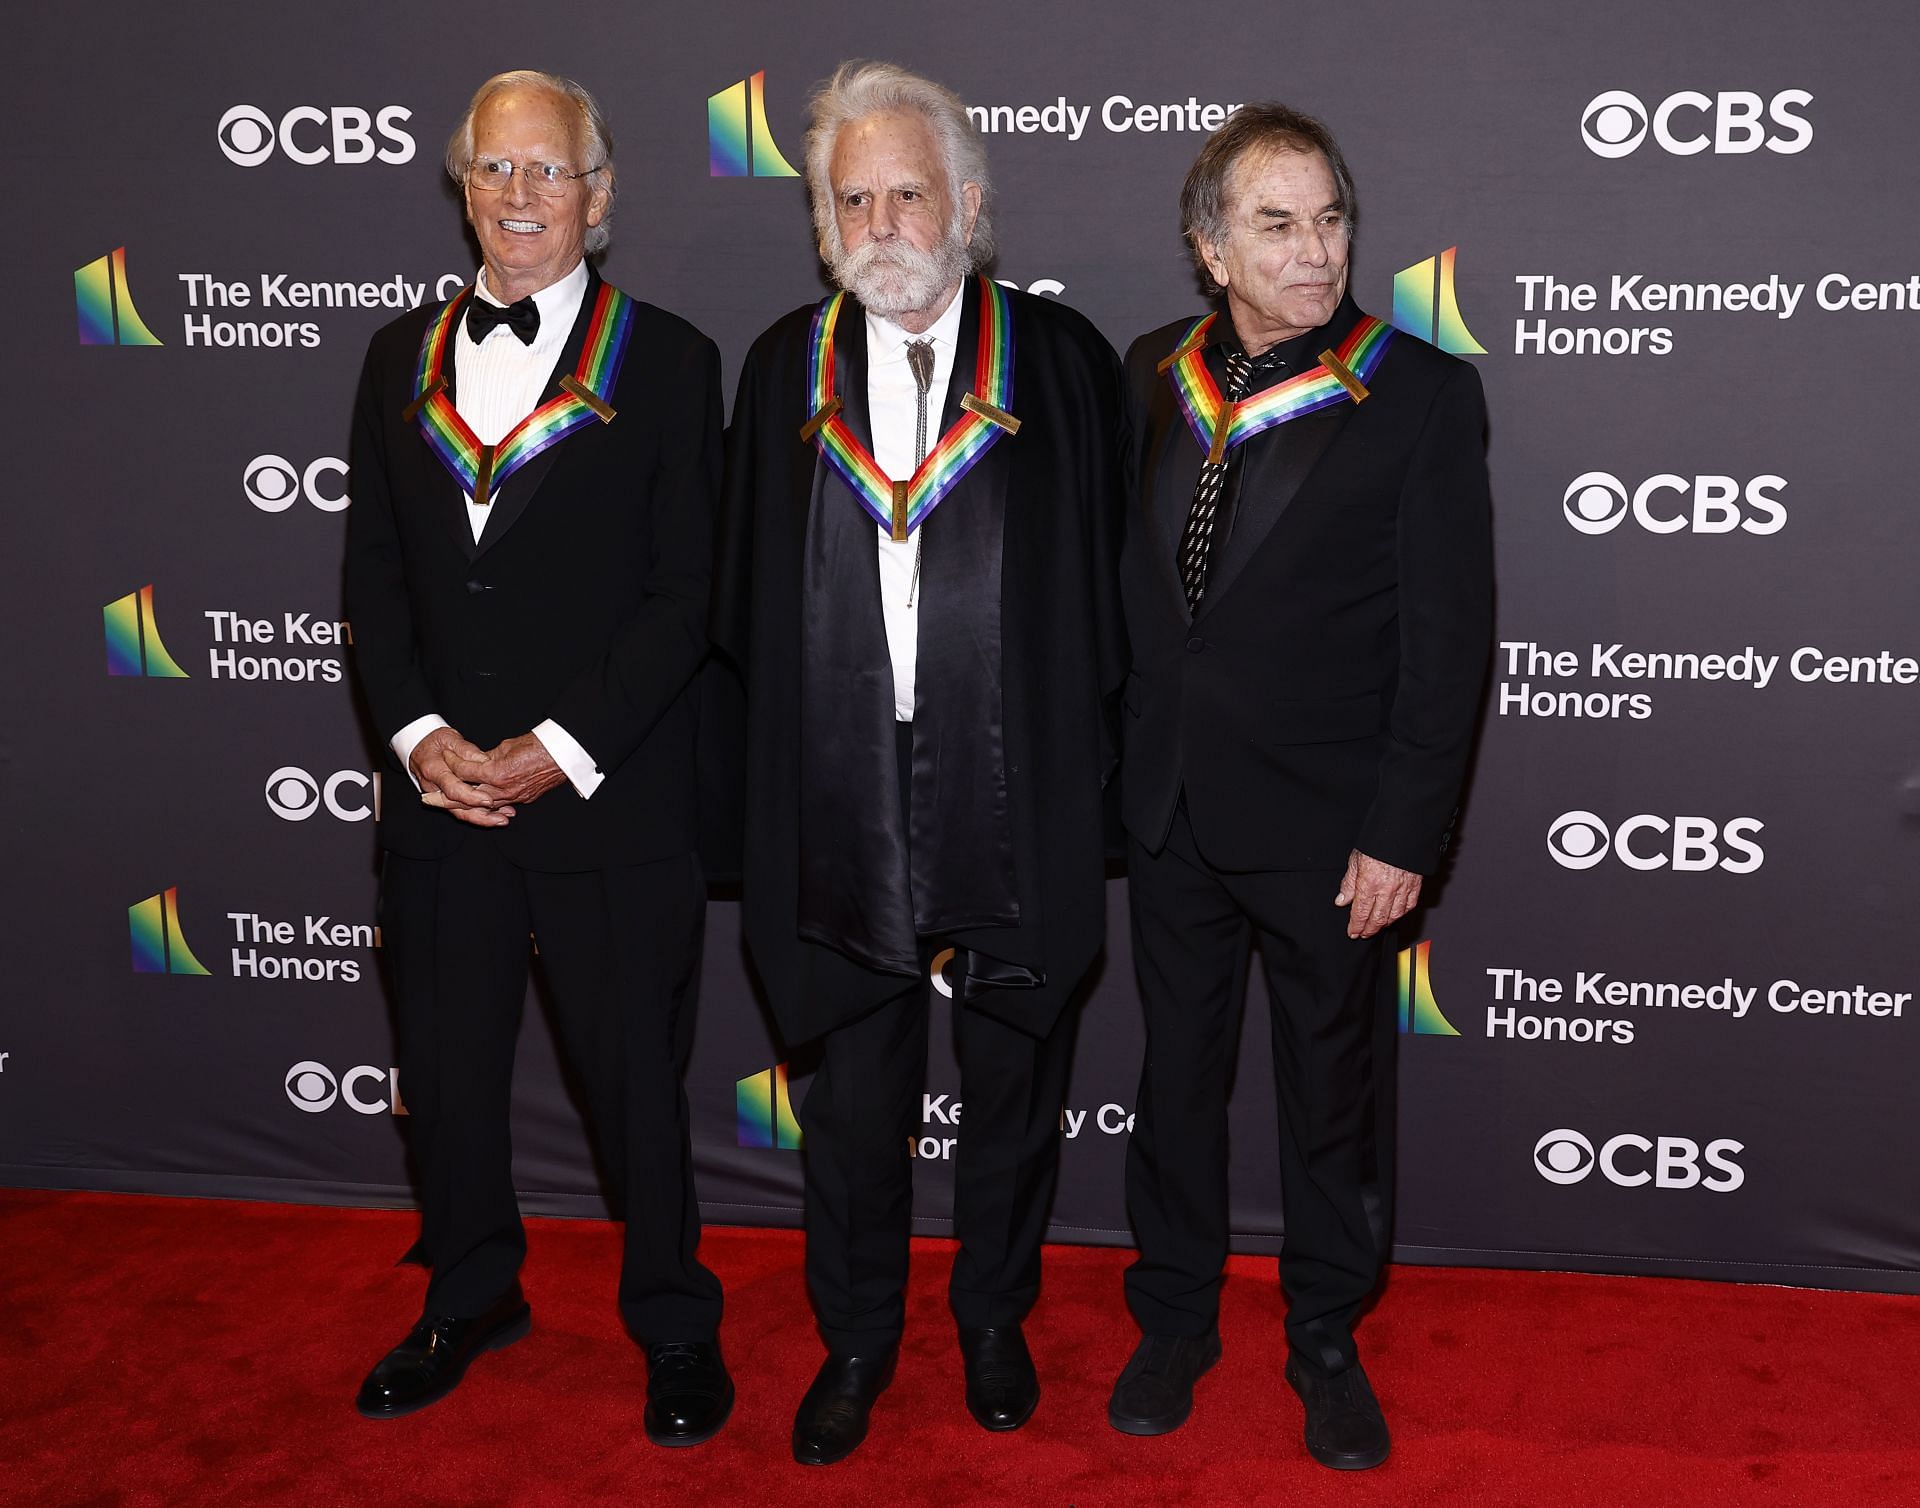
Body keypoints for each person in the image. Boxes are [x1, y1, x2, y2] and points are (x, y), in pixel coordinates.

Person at [712, 60, 1128, 1466]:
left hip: (1013, 783)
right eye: (854, 199)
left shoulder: (1061, 366)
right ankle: (856, 1340)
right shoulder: (782, 369)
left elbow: (1112, 611)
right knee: (854, 1102)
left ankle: (994, 1321)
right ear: (822, 222)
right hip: (837, 780)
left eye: (909, 192)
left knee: (1013, 1084)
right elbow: (737, 617)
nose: (884, 222)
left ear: (968, 205)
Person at [343, 70, 731, 1445]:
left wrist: (565, 748)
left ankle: (677, 1323)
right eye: (494, 171)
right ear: (462, 189)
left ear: (600, 196)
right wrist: (418, 738)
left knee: (635, 1081)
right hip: (442, 801)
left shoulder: (673, 362)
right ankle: (470, 1295)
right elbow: (375, 580)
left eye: (547, 172)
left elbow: (690, 594)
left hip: (609, 800)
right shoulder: (397, 360)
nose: (519, 197)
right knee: (445, 1076)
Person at [1109, 104, 1493, 1470]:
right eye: (1277, 225)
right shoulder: (1153, 372)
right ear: (1212, 248)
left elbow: (1452, 645)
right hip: (1167, 815)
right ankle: (1173, 1321)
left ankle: (1326, 1336)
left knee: (1332, 1099)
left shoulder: (1423, 394)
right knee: (1175, 1084)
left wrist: (1405, 833)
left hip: (1333, 836)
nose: (1316, 250)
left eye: (1329, 218)